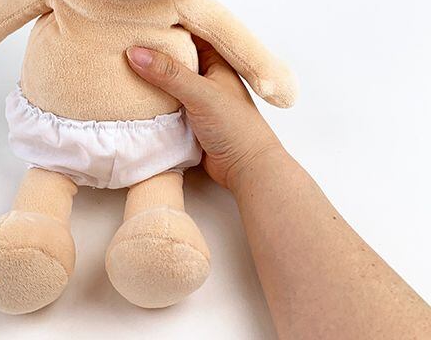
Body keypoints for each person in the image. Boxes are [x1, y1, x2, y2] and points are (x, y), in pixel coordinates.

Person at [126, 39, 431, 339]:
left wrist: (251, 155)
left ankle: (156, 250)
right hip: (115, 146)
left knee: (159, 187)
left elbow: (219, 30)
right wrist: (252, 156)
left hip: (162, 152)